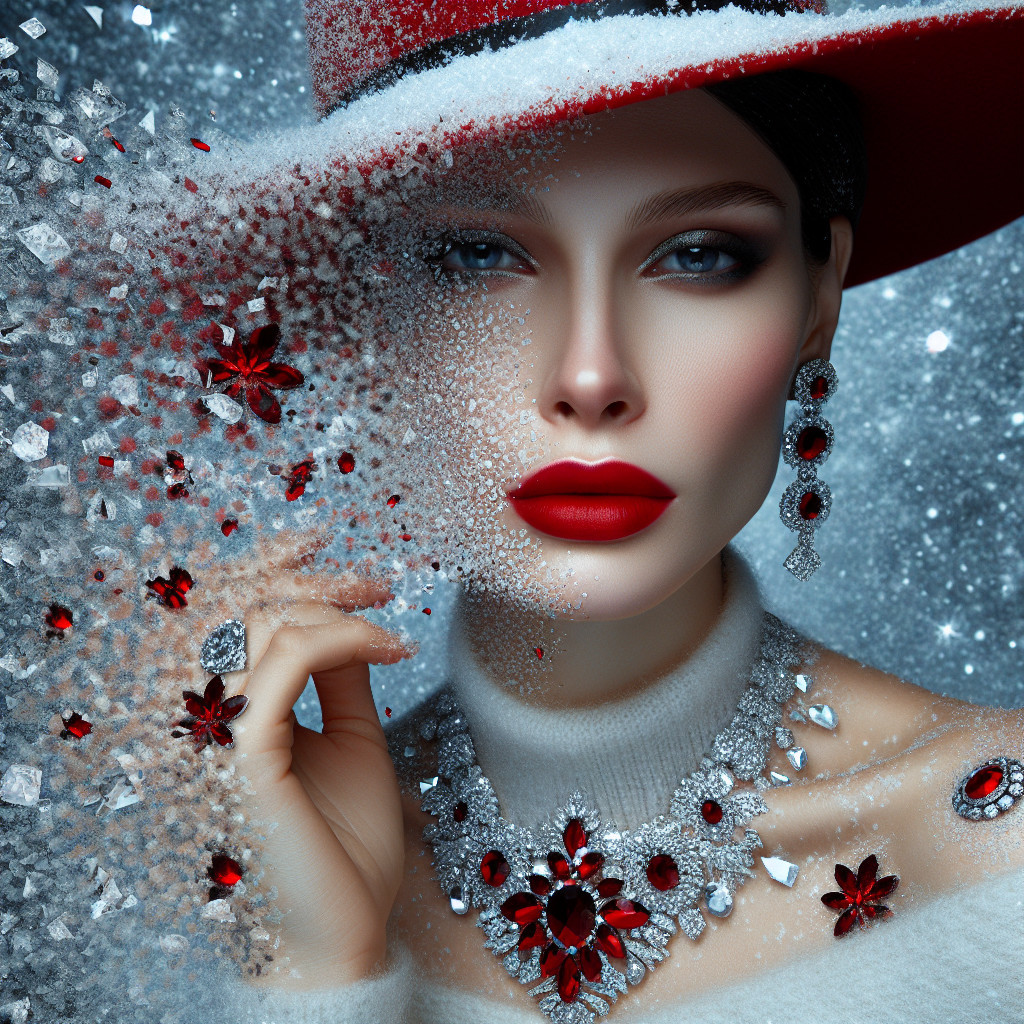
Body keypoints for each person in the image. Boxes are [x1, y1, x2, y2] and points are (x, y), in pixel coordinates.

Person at [188, 1, 1024, 1021]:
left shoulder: (994, 846)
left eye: (699, 253)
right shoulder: (281, 837)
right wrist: (308, 976)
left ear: (820, 294)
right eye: (476, 257)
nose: (590, 376)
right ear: (370, 316)